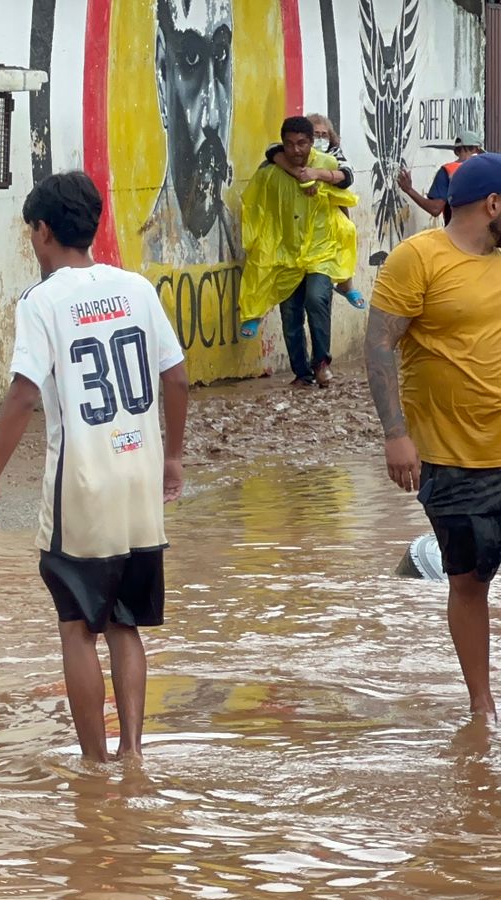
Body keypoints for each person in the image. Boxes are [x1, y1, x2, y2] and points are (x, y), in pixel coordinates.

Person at [0, 171, 190, 763]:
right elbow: (176, 377)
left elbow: (23, 394)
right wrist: (172, 457)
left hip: (83, 485)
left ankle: (94, 768)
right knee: (126, 626)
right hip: (138, 477)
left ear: (42, 232)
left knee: (77, 627)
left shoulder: (41, 300)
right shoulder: (136, 288)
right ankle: (134, 756)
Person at [368, 152, 501, 722]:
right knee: (469, 580)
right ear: (493, 204)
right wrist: (395, 436)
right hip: (451, 457)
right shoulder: (418, 257)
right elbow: (377, 346)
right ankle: (482, 706)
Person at [238, 116, 359, 387]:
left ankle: (322, 363)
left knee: (316, 299)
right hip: (286, 251)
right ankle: (301, 372)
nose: (296, 150)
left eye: (302, 143)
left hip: (321, 249)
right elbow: (255, 205)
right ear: (283, 144)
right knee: (291, 313)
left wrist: (318, 177)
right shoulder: (270, 170)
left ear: (312, 142)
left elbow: (346, 181)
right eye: (290, 144)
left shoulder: (327, 164)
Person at [140, 0, 236, 267]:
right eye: (191, 59)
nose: (213, 117)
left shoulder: (239, 243)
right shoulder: (147, 252)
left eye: (221, 56)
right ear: (162, 75)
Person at [262, 113, 366, 309]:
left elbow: (347, 176)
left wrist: (316, 175)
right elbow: (271, 151)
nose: (320, 139)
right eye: (316, 134)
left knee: (344, 241)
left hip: (326, 222)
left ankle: (346, 284)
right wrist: (299, 175)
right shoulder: (291, 152)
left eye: (324, 135)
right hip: (295, 226)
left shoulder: (333, 155)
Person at [397, 129, 483, 226]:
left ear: (457, 151)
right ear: (476, 149)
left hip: (458, 236)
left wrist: (409, 190)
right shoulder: (487, 170)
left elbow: (435, 209)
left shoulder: (448, 171)